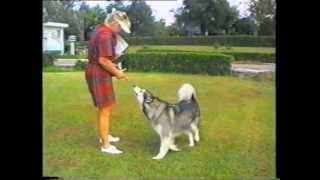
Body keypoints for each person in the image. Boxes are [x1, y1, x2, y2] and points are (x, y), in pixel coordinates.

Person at [85, 8, 131, 154]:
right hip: (98, 72)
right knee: (106, 108)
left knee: (105, 107)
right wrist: (117, 72)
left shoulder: (100, 30)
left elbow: (103, 58)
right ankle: (106, 146)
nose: (120, 31)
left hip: (96, 70)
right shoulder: (105, 35)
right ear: (114, 23)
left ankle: (104, 136)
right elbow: (103, 60)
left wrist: (113, 68)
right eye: (120, 27)